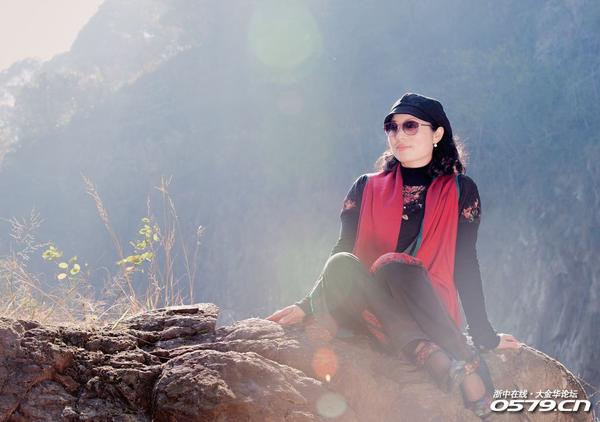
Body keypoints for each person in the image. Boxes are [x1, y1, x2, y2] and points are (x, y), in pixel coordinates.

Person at [266, 92, 521, 419]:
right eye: (392, 127)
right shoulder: (365, 187)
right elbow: (343, 248)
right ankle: (441, 359)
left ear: (437, 133)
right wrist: (307, 305)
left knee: (393, 266)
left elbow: (465, 264)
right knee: (341, 264)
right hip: (369, 312)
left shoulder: (461, 190)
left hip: (426, 308)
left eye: (410, 126)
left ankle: (440, 352)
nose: (399, 134)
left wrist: (485, 334)